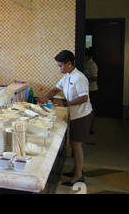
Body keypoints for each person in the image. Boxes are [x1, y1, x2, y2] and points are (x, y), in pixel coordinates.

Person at [38, 50, 93, 186]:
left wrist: (65, 103)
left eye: (60, 66)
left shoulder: (79, 78)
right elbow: (56, 89)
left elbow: (84, 98)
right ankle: (77, 169)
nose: (59, 68)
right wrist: (46, 97)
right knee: (74, 143)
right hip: (75, 114)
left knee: (76, 144)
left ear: (69, 64)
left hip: (82, 115)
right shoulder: (68, 76)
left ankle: (79, 176)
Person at [84, 48, 98, 134]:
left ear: (88, 56)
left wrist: (84, 80)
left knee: (91, 110)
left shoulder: (93, 65)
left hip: (92, 90)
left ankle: (90, 129)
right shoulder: (85, 63)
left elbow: (95, 78)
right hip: (86, 90)